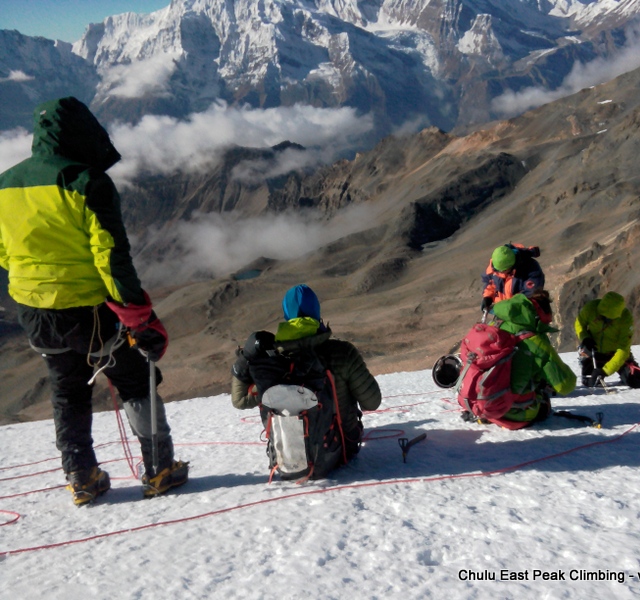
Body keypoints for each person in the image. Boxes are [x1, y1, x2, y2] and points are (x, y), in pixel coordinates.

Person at [0, 97, 188, 505]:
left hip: (34, 312)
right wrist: (139, 318)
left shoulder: (5, 183)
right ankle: (160, 470)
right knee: (136, 380)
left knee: (66, 390)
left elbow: (3, 252)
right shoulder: (86, 182)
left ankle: (81, 477)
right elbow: (111, 259)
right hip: (89, 311)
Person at [231, 284, 382, 474]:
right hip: (338, 451)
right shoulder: (342, 353)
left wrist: (244, 360)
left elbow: (239, 401)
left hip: (284, 459)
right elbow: (372, 402)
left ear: (286, 314)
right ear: (316, 311)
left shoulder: (271, 359)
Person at [490, 291, 576, 425]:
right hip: (512, 411)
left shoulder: (492, 328)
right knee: (540, 403)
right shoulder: (535, 341)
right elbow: (566, 385)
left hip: (482, 404)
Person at [574, 291, 640, 389]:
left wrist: (606, 370)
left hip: (614, 354)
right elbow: (579, 323)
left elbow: (623, 349)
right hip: (593, 353)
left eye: (608, 318)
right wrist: (585, 337)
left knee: (637, 381)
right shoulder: (591, 308)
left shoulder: (625, 318)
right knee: (590, 383)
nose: (604, 319)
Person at [481, 243, 545, 313]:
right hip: (505, 311)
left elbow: (530, 294)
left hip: (523, 312)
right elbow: (491, 282)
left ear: (512, 266)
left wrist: (505, 308)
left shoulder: (531, 269)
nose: (500, 273)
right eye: (497, 271)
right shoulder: (496, 266)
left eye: (503, 271)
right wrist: (488, 297)